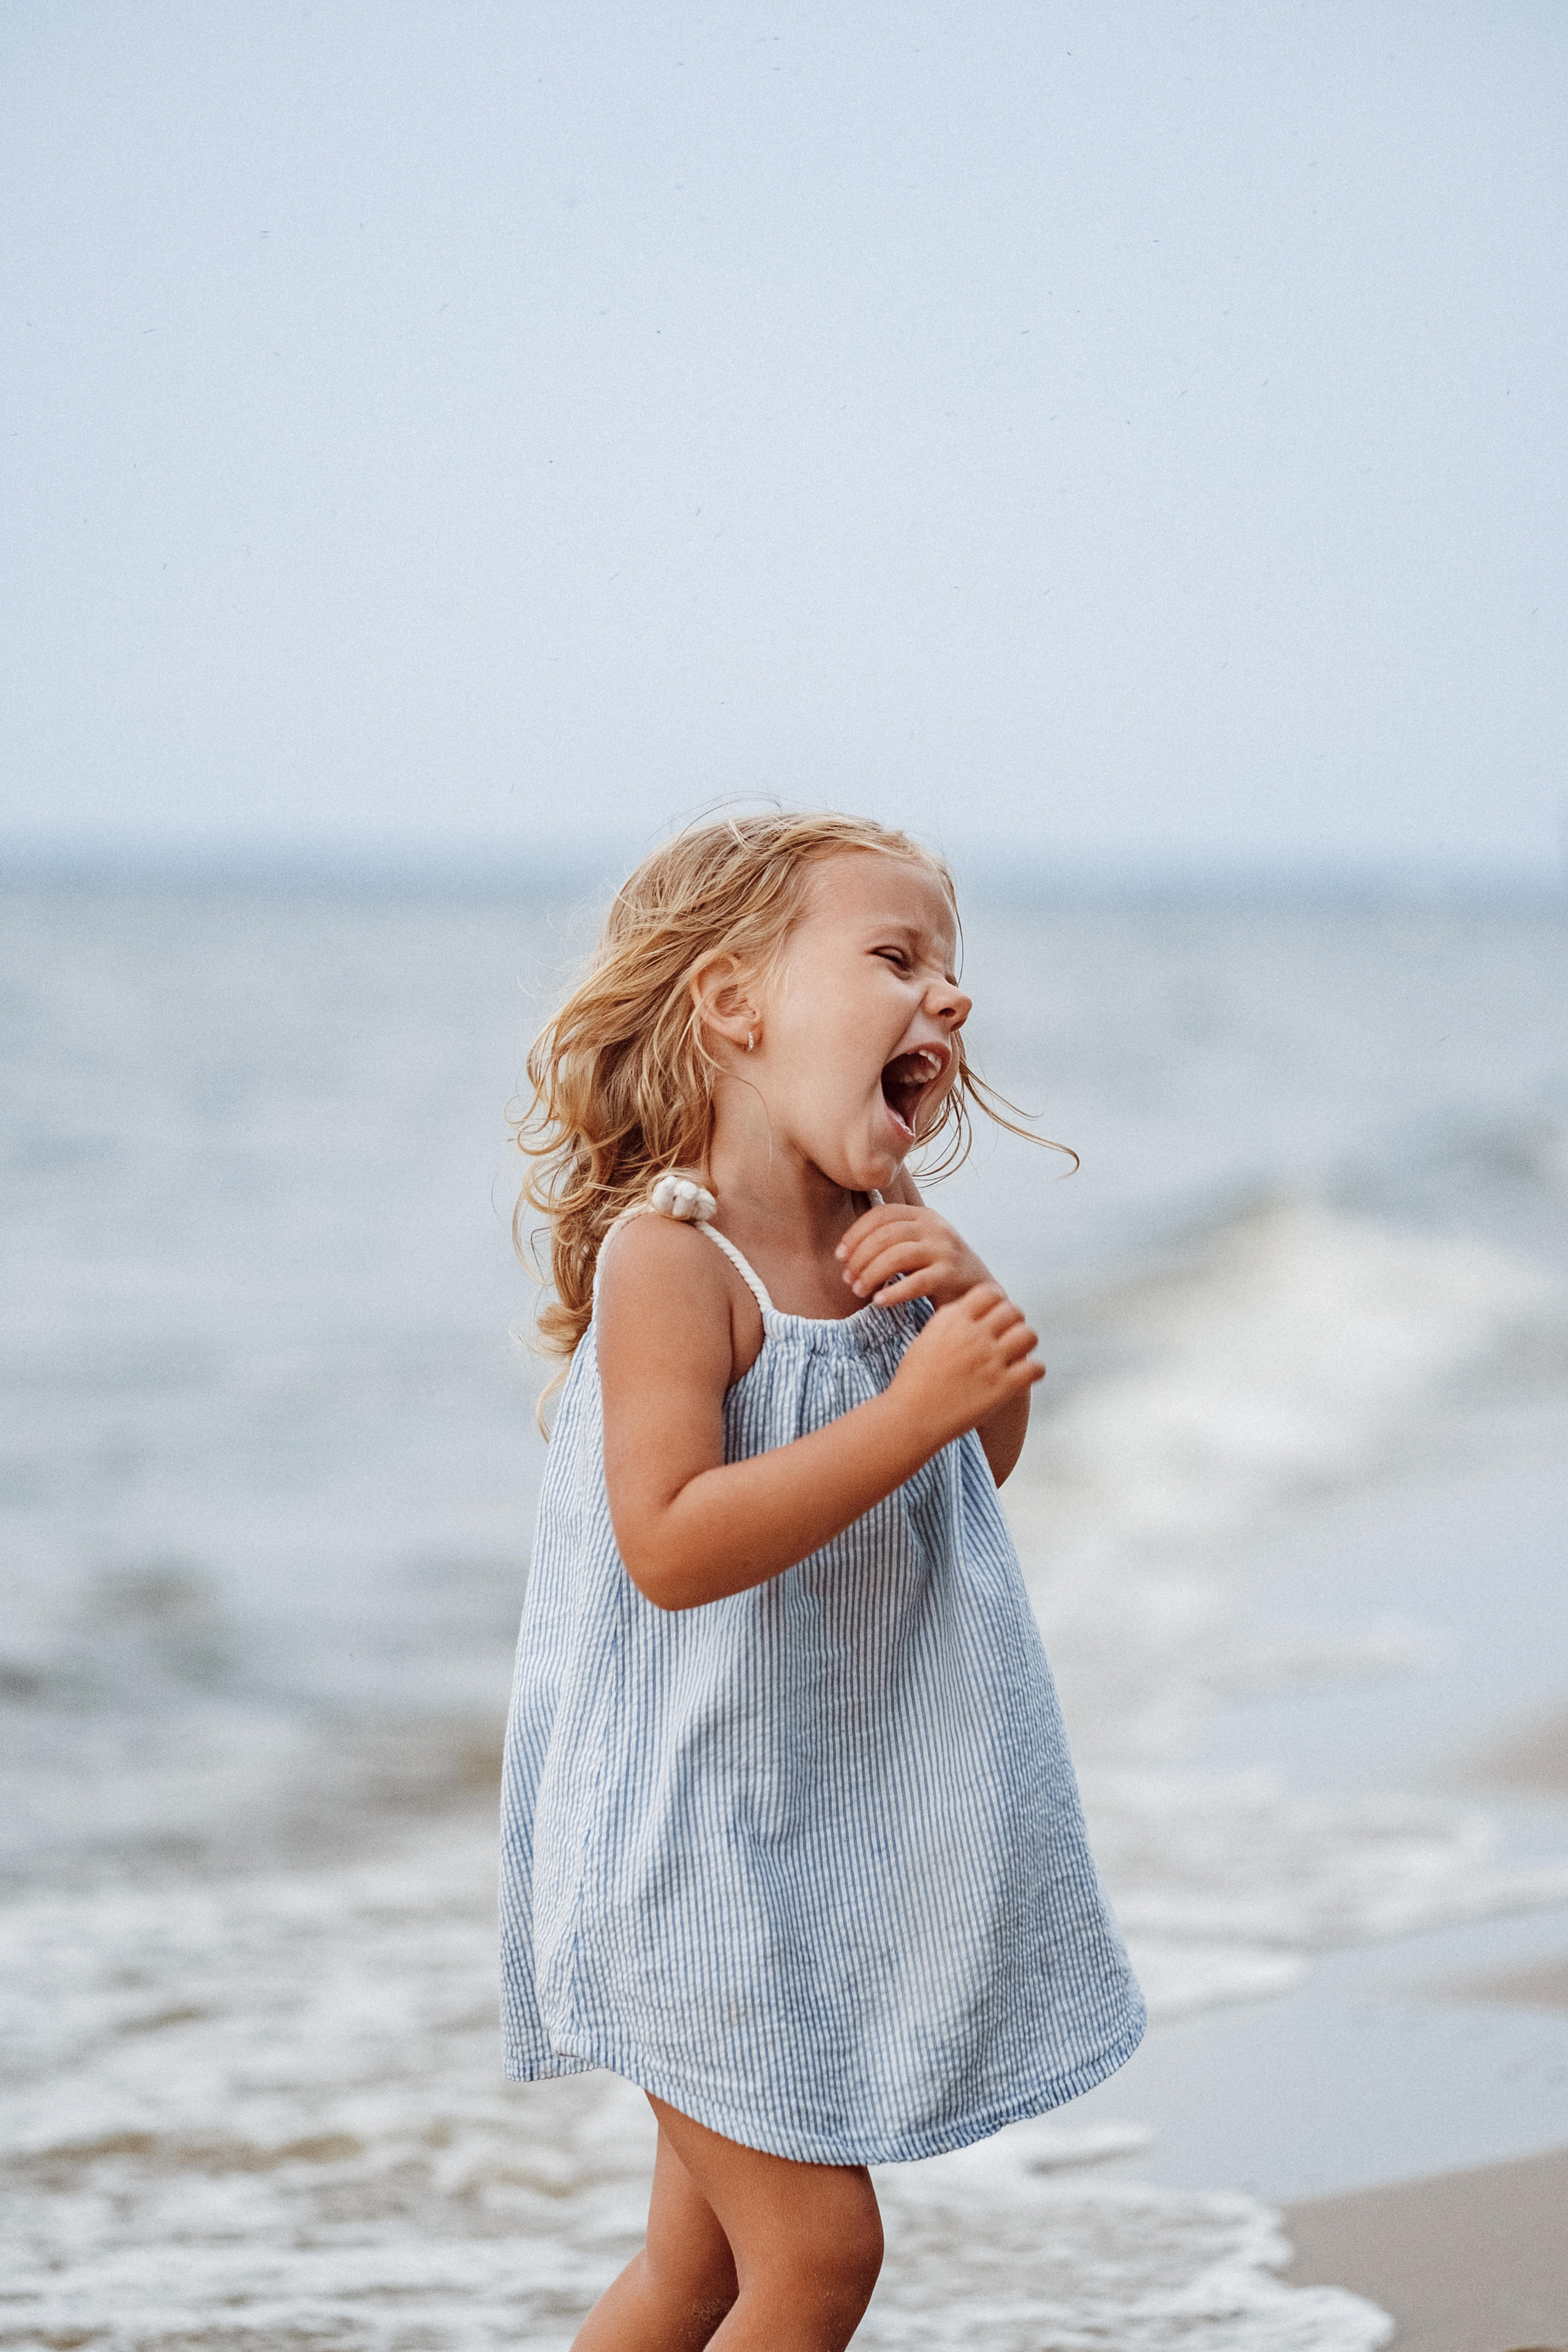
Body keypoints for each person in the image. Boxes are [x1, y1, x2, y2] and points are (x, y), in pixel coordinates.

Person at [501, 811, 1144, 2350]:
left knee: (698, 2273)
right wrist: (914, 1407)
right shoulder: (678, 1264)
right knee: (817, 2257)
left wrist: (970, 1333)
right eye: (893, 959)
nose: (950, 1000)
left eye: (950, 968)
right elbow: (667, 1544)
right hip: (678, 1851)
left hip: (788, 1841)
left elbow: (968, 1470)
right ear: (735, 1006)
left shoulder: (890, 1233)